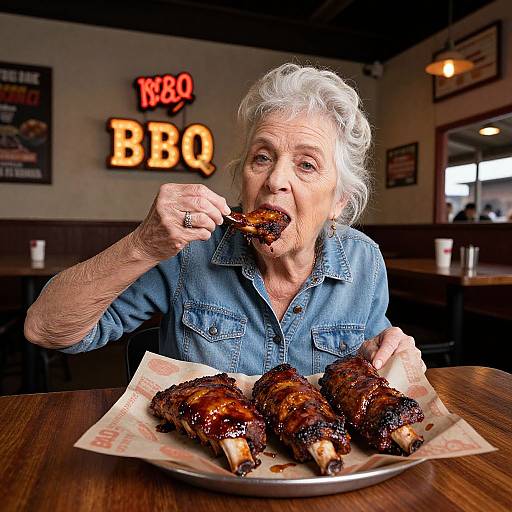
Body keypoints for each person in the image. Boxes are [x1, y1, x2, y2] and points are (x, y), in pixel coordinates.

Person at [24, 63, 420, 376]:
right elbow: (46, 329)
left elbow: (377, 362)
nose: (275, 180)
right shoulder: (188, 249)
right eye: (262, 157)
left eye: (306, 164)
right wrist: (143, 245)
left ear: (339, 201)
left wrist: (392, 352)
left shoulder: (363, 261)